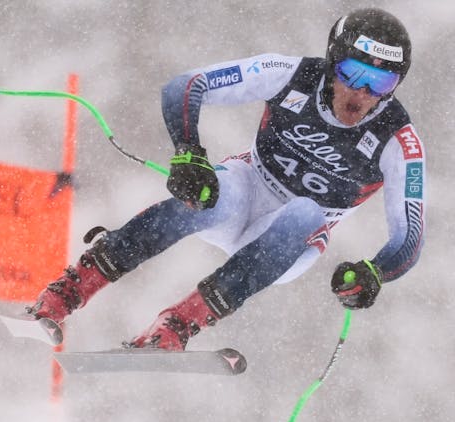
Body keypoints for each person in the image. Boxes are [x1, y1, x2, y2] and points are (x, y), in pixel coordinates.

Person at [30, 7, 426, 351]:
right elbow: (185, 86)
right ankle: (68, 291)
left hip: (290, 242)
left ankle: (179, 324)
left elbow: (409, 237)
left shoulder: (398, 141)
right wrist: (188, 153)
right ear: (331, 62)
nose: (361, 94)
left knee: (305, 212)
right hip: (250, 186)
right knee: (218, 195)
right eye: (353, 74)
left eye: (381, 83)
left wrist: (375, 272)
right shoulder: (290, 74)